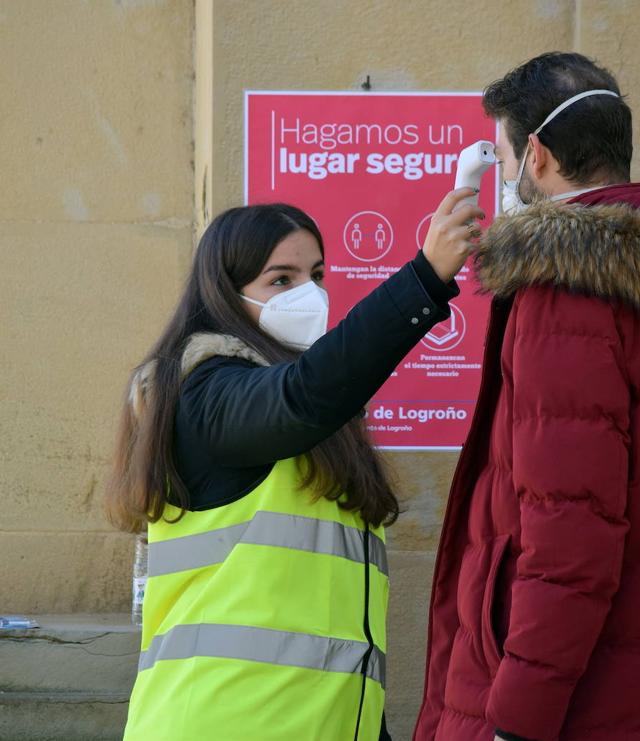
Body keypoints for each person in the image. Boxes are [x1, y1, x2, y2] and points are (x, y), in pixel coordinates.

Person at [414, 51, 640, 741]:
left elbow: (569, 533)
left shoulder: (566, 288)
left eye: (506, 154)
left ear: (534, 155)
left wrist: (517, 719)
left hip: (598, 708)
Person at [105, 190, 484, 741]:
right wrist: (423, 279)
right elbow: (304, 397)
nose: (306, 294)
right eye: (280, 280)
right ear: (226, 295)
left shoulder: (312, 421)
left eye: (316, 275)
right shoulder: (204, 393)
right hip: (220, 721)